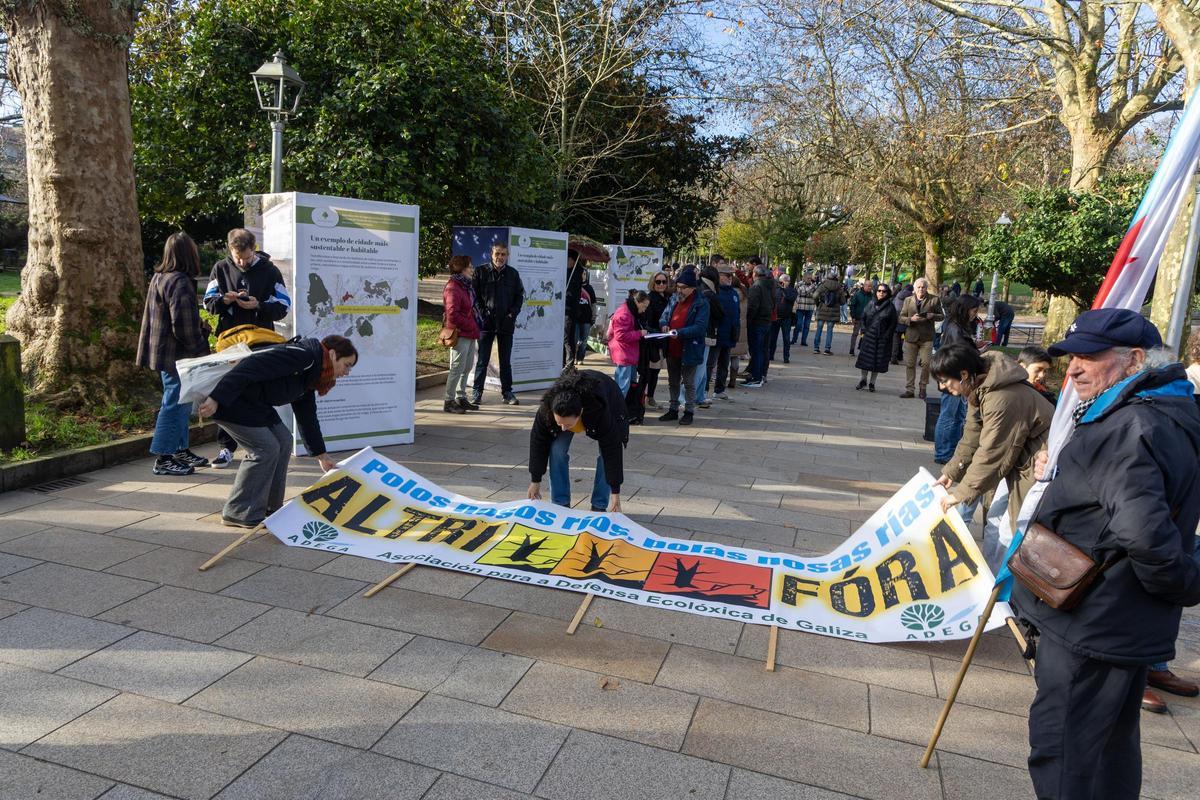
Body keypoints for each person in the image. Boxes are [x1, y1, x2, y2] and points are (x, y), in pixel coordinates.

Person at [1013, 309, 1200, 799]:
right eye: (1070, 357)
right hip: (1112, 619)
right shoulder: (1153, 409)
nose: (1071, 369)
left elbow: (1145, 534)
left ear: (1134, 360)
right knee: (1108, 751)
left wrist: (1183, 583)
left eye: (1087, 357)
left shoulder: (1130, 424)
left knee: (1065, 751)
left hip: (1093, 621)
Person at [198, 335, 357, 527]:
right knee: (265, 449)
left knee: (283, 442)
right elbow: (249, 366)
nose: (346, 372)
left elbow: (307, 415)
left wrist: (321, 455)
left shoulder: (313, 372)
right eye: (347, 365)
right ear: (332, 354)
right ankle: (239, 511)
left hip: (255, 403)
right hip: (230, 401)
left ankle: (270, 507)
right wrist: (216, 398)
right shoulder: (304, 357)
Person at [931, 345, 1052, 536]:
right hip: (1020, 459)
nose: (942, 387)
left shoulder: (1001, 398)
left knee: (1011, 532)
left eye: (945, 381)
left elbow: (992, 452)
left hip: (1036, 461)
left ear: (963, 374)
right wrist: (952, 471)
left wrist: (960, 494)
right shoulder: (980, 384)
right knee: (995, 527)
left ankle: (1002, 566)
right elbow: (972, 433)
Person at [202, 228, 292, 470]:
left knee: (257, 389)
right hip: (229, 339)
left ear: (254, 249)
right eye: (237, 257)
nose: (242, 262)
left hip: (260, 338)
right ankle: (226, 447)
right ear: (230, 250)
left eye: (246, 257)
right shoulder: (220, 268)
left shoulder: (270, 270)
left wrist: (259, 305)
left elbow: (284, 305)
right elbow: (208, 302)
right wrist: (225, 300)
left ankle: (261, 441)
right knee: (225, 388)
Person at [136, 232, 212, 476]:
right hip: (176, 354)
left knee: (181, 401)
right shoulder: (180, 281)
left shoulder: (161, 277)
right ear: (189, 254)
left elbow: (172, 318)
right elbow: (182, 325)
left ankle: (179, 449)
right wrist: (201, 346)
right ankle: (164, 456)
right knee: (175, 402)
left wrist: (198, 327)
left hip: (163, 351)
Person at [527, 369, 628, 513]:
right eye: (559, 423)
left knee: (604, 457)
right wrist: (535, 481)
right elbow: (538, 442)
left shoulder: (599, 410)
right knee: (557, 449)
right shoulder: (547, 410)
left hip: (608, 399)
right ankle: (560, 503)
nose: (563, 428)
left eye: (567, 425)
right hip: (571, 400)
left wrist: (615, 494)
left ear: (580, 413)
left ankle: (599, 505)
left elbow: (612, 451)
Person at [472, 241, 525, 406]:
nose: (500, 257)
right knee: (482, 360)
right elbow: (474, 296)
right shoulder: (480, 272)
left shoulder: (513, 274)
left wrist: (512, 314)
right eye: (497, 254)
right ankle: (477, 392)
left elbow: (519, 297)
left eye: (503, 254)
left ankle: (507, 392)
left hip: (506, 324)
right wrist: (482, 314)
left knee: (505, 361)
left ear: (507, 256)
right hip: (486, 324)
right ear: (491, 254)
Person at [934, 295, 984, 464]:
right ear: (965, 309)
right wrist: (976, 354)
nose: (975, 315)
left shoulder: (957, 326)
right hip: (954, 377)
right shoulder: (956, 328)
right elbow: (960, 354)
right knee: (950, 416)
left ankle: (948, 451)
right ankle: (943, 453)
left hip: (955, 376)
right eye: (974, 310)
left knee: (954, 416)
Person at [657, 268, 709, 424]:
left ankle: (689, 411)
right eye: (678, 286)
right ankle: (673, 409)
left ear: (692, 288)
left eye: (683, 287)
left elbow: (700, 327)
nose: (679, 290)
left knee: (688, 382)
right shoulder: (674, 299)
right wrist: (665, 325)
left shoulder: (701, 303)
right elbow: (664, 316)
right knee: (672, 380)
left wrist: (679, 332)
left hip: (689, 348)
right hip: (672, 347)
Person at [442, 255, 480, 414]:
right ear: (461, 268)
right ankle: (448, 401)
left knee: (467, 366)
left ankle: (461, 397)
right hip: (459, 333)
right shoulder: (453, 287)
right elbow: (452, 314)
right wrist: (471, 324)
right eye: (469, 266)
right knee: (457, 367)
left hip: (470, 332)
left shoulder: (465, 285)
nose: (471, 269)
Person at [898, 277, 943, 398]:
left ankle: (923, 387)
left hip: (926, 337)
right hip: (911, 336)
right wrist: (910, 319)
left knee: (926, 363)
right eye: (918, 287)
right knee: (910, 364)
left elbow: (942, 316)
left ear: (926, 288)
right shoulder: (908, 300)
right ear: (914, 288)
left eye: (923, 287)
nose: (921, 289)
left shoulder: (934, 300)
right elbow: (901, 317)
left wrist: (932, 315)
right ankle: (910, 389)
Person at [853, 283, 897, 392]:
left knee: (877, 361)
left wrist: (887, 336)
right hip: (869, 336)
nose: (881, 293)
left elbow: (893, 323)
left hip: (882, 338)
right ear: (876, 291)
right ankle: (863, 380)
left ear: (887, 293)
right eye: (879, 290)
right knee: (865, 359)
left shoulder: (891, 307)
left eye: (884, 291)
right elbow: (863, 317)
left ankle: (872, 383)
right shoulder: (871, 303)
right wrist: (863, 329)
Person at [607, 290, 647, 395]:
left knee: (628, 385)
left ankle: (623, 408)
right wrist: (639, 333)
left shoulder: (630, 310)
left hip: (628, 353)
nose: (644, 310)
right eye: (644, 306)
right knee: (622, 387)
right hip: (624, 354)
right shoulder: (624, 313)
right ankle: (618, 409)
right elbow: (620, 336)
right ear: (638, 302)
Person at [642, 271, 672, 408]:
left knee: (656, 371)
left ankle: (650, 397)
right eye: (658, 282)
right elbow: (647, 322)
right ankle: (643, 398)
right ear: (652, 283)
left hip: (663, 341)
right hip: (652, 341)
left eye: (663, 282)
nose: (661, 284)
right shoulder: (650, 299)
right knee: (649, 371)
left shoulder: (668, 297)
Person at [711, 264, 741, 400]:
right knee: (710, 364)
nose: (730, 278)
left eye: (731, 275)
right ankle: (704, 390)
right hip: (717, 334)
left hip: (729, 334)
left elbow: (737, 314)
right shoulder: (715, 293)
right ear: (719, 276)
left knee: (724, 364)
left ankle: (719, 389)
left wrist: (736, 332)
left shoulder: (734, 293)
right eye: (727, 275)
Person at [743, 264, 774, 387]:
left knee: (756, 351)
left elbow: (752, 306)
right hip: (766, 321)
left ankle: (756, 378)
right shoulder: (770, 285)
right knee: (762, 350)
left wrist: (748, 320)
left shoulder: (757, 287)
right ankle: (759, 375)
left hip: (757, 323)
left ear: (755, 274)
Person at [813, 269, 846, 355]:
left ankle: (816, 348)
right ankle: (827, 349)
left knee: (819, 329)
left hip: (822, 309)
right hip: (833, 311)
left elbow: (815, 295)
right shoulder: (839, 287)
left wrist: (818, 304)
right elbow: (843, 302)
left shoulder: (823, 285)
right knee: (830, 330)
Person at [768, 273, 797, 364]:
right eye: (782, 281)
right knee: (773, 338)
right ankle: (770, 355)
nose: (783, 283)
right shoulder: (775, 290)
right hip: (776, 317)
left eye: (786, 281)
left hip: (786, 318)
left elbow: (791, 298)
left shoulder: (791, 290)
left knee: (786, 338)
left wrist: (785, 289)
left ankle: (786, 357)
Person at [573, 269, 596, 363]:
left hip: (586, 320)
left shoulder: (590, 288)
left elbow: (594, 304)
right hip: (575, 319)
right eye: (582, 273)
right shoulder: (574, 286)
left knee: (584, 341)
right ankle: (572, 358)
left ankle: (580, 358)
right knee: (574, 340)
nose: (583, 275)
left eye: (585, 274)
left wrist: (593, 317)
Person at [848, 279, 874, 355]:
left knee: (866, 335)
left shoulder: (872, 296)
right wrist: (853, 316)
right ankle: (852, 349)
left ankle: (863, 350)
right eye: (868, 286)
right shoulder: (857, 294)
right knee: (855, 334)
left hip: (868, 319)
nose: (870, 288)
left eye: (871, 286)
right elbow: (852, 305)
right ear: (864, 286)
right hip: (858, 318)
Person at [791, 272, 816, 346]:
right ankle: (794, 339)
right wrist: (812, 288)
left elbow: (815, 296)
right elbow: (802, 292)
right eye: (808, 278)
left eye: (810, 278)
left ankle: (803, 341)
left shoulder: (813, 285)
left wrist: (811, 292)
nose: (809, 279)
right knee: (798, 324)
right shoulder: (799, 284)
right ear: (804, 278)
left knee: (807, 325)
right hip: (800, 307)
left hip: (810, 307)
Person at [891, 282, 913, 364]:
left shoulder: (898, 295)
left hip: (897, 321)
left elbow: (893, 306)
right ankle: (904, 357)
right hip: (907, 322)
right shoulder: (912, 297)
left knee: (896, 340)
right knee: (907, 341)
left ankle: (894, 357)